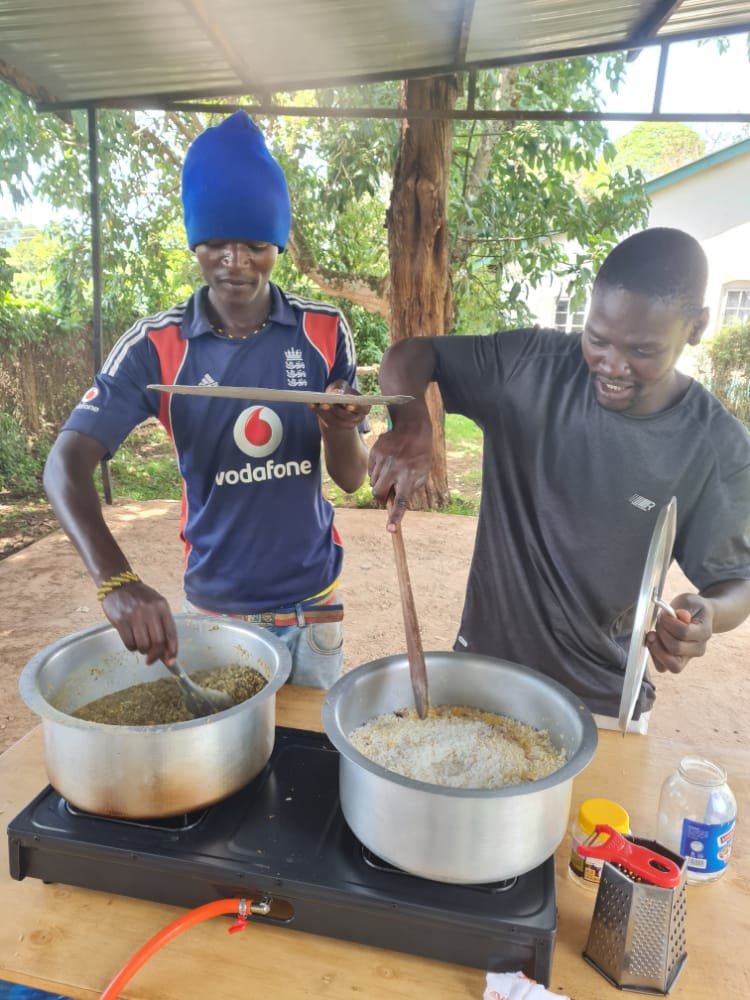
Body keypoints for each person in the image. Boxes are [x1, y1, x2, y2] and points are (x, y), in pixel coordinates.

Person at [369, 228, 750, 731]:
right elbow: (414, 354)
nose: (611, 365)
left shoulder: (714, 444)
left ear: (696, 327)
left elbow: (736, 581)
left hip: (600, 701)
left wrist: (708, 614)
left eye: (642, 350)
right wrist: (413, 420)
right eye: (596, 339)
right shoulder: (530, 368)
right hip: (483, 677)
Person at [44, 111, 370, 688]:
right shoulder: (156, 345)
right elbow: (64, 464)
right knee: (227, 770)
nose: (235, 260)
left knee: (313, 768)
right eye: (217, 240)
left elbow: (350, 480)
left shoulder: (323, 330)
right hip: (219, 615)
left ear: (278, 241)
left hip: (314, 609)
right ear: (196, 239)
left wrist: (339, 427)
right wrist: (115, 580)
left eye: (255, 242)